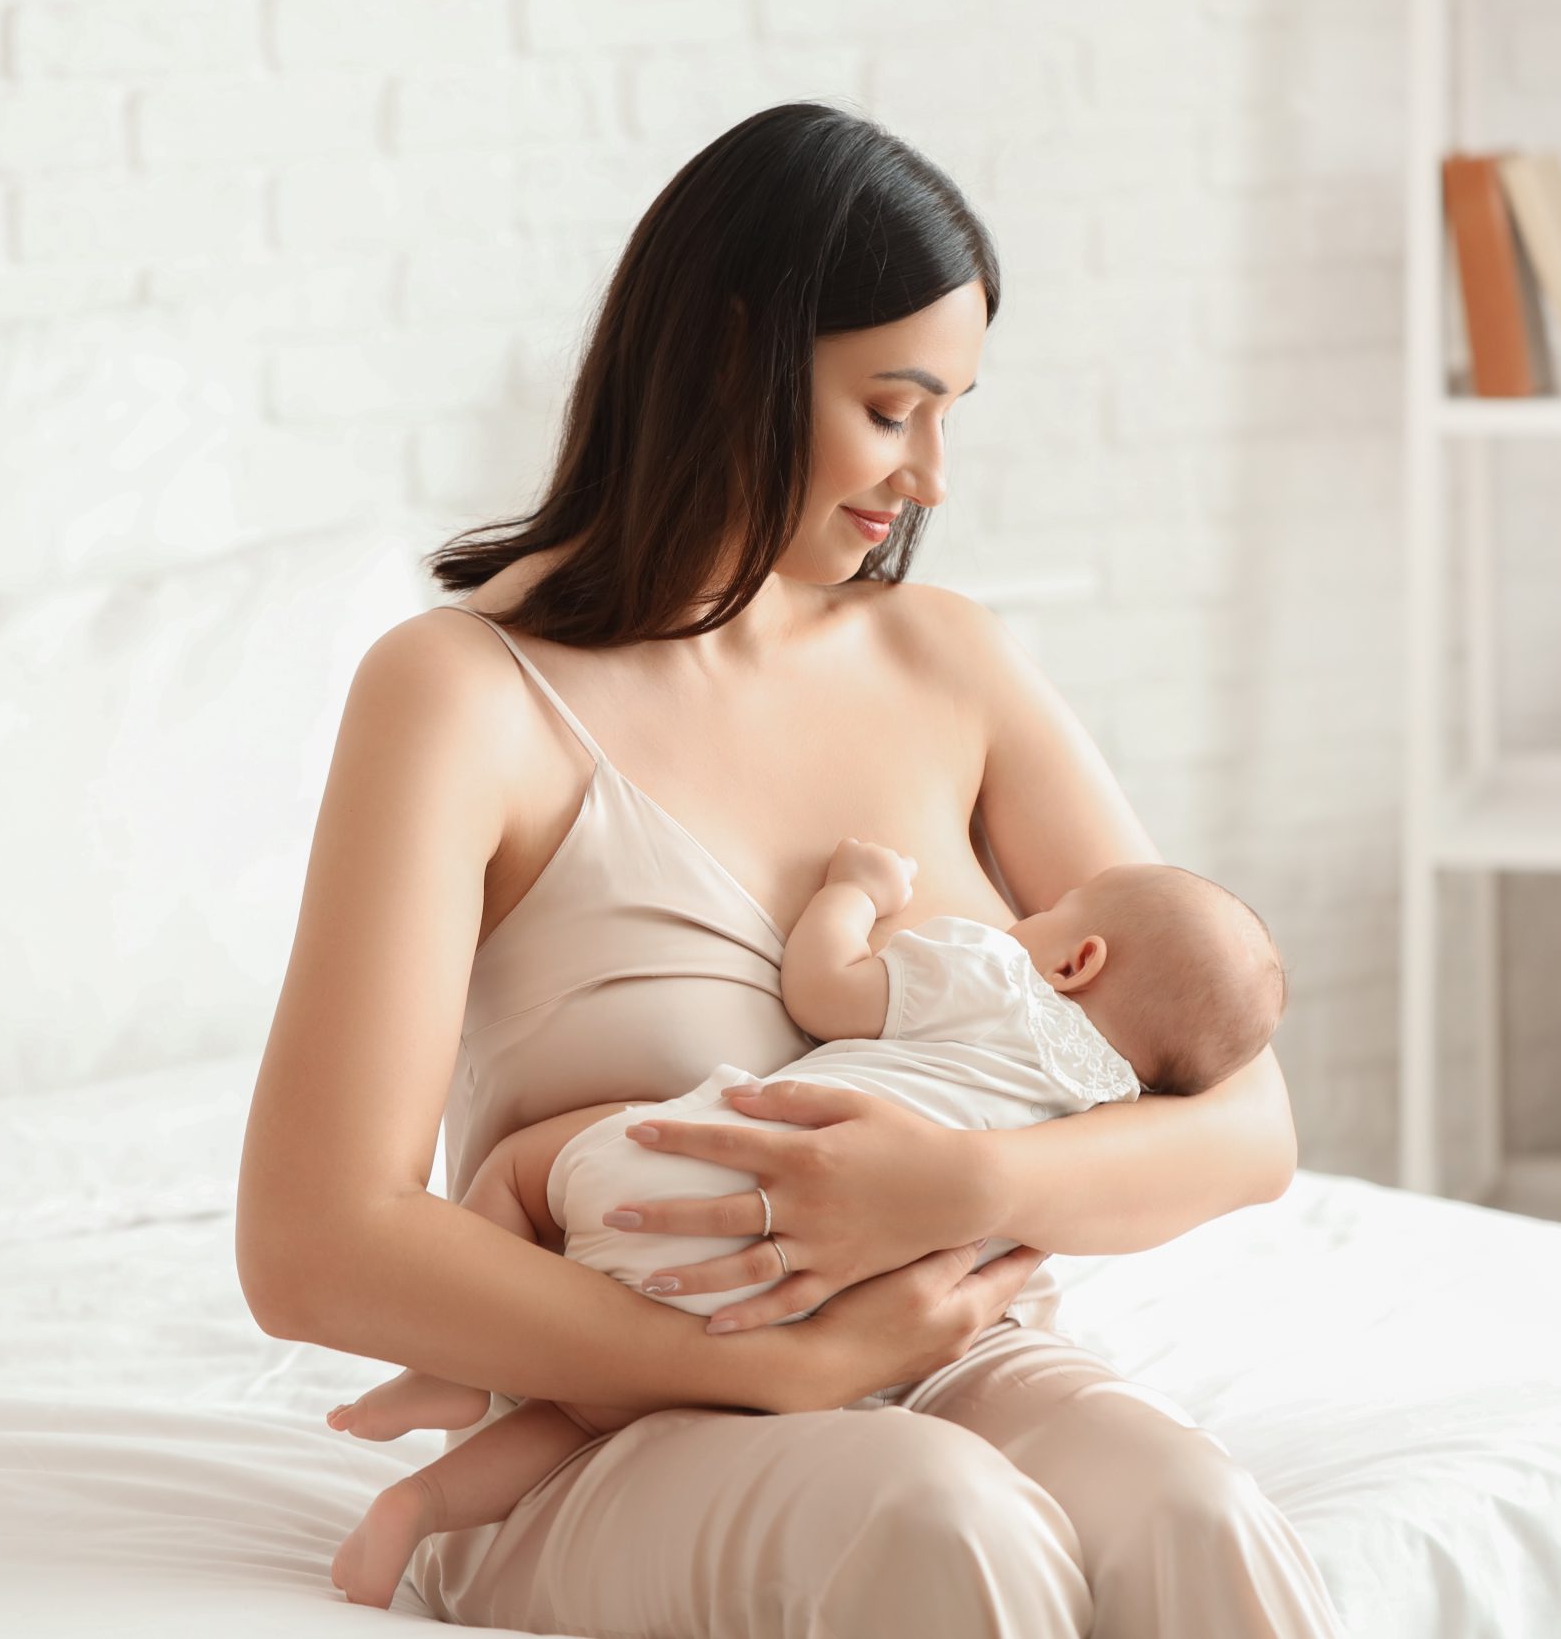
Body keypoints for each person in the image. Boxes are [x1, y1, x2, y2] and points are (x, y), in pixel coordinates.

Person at [236, 99, 1345, 1638]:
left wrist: (965, 1182)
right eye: (893, 408)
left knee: (1192, 1509)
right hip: (611, 1417)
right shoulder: (464, 693)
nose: (933, 474)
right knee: (942, 1518)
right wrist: (769, 1365)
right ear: (727, 358)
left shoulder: (950, 661)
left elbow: (1246, 1115)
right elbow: (312, 1240)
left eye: (952, 409)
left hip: (963, 1349)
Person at [319, 837, 1289, 1605]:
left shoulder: (990, 973)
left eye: (1044, 915)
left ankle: (454, 1372)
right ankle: (419, 1505)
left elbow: (823, 989)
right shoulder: (1114, 1111)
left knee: (525, 1173)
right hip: (841, 1305)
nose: (1021, 918)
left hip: (691, 1188)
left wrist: (854, 892)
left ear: (1077, 958)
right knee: (584, 1416)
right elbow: (1212, 1139)